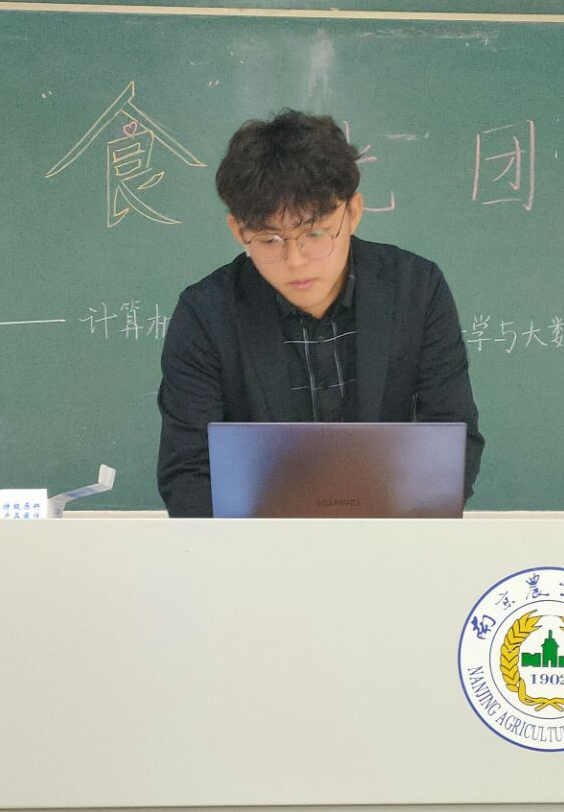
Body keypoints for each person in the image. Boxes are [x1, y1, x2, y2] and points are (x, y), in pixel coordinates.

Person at [155, 110, 484, 516]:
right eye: (270, 240)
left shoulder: (415, 289)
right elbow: (188, 471)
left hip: (392, 537)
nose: (296, 261)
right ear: (239, 231)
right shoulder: (206, 314)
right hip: (255, 546)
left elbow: (453, 439)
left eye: (314, 233)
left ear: (353, 212)